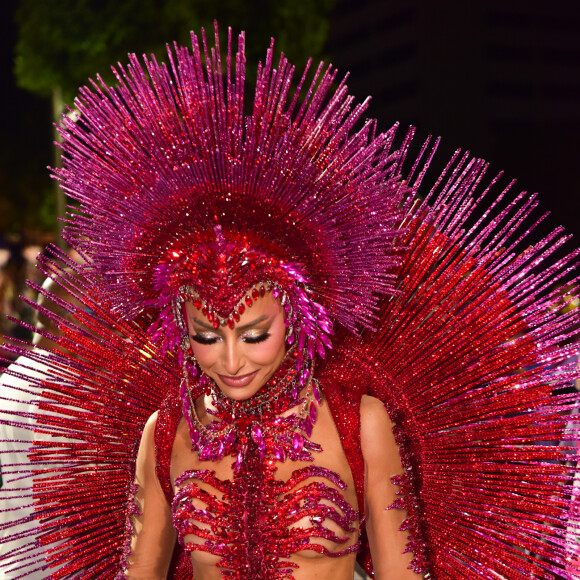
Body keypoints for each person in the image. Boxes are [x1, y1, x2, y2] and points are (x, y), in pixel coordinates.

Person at [0, 25, 578, 579]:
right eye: (205, 335)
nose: (229, 361)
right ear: (178, 327)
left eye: (254, 334)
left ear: (300, 316)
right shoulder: (167, 430)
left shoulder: (360, 423)